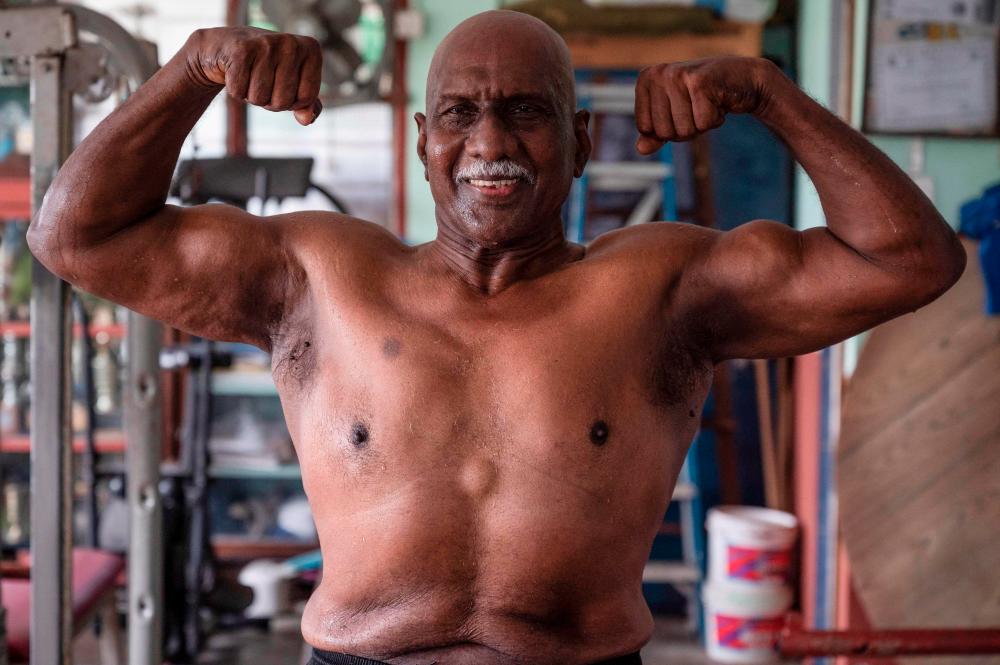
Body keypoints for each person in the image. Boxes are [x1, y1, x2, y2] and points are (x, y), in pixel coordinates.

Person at [28, 10, 964, 665]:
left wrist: (772, 96)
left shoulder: (662, 287)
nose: (491, 142)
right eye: (464, 115)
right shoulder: (318, 276)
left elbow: (910, 260)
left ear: (581, 139)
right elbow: (74, 235)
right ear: (423, 136)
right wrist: (193, 69)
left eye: (526, 110)